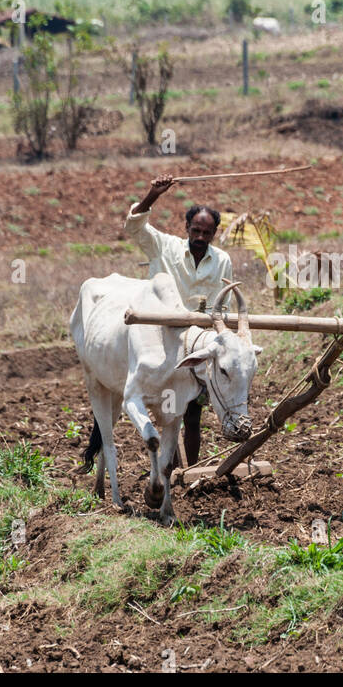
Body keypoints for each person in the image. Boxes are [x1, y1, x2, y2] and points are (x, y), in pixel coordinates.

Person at [124, 173, 234, 467]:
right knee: (167, 411)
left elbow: (224, 305)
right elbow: (134, 226)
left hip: (198, 344)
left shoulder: (222, 260)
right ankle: (168, 471)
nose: (200, 238)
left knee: (193, 415)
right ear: (186, 228)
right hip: (163, 342)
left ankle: (192, 471)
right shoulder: (165, 246)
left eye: (206, 234)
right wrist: (152, 195)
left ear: (214, 234)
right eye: (195, 231)